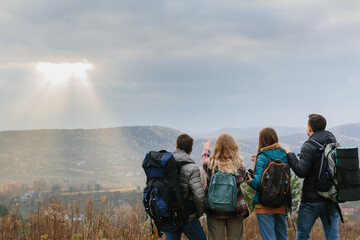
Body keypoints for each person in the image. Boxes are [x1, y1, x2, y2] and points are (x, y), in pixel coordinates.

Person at [284, 114, 339, 240]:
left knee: (302, 235)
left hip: (311, 200)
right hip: (331, 197)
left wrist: (290, 154)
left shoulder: (309, 146)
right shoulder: (333, 144)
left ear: (309, 128)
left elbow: (301, 171)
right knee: (333, 236)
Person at [201, 133, 249, 240]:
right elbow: (242, 180)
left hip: (214, 209)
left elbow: (204, 159)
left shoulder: (209, 165)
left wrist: (206, 149)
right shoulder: (240, 167)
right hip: (235, 208)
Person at [246, 127, 290, 240]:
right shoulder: (284, 155)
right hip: (281, 202)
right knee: (282, 237)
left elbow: (257, 184)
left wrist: (249, 180)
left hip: (263, 204)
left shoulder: (262, 156)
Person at [165, 134, 207, 240]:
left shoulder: (165, 165)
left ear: (176, 147)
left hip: (171, 215)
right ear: (191, 149)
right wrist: (198, 214)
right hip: (188, 216)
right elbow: (199, 196)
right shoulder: (192, 168)